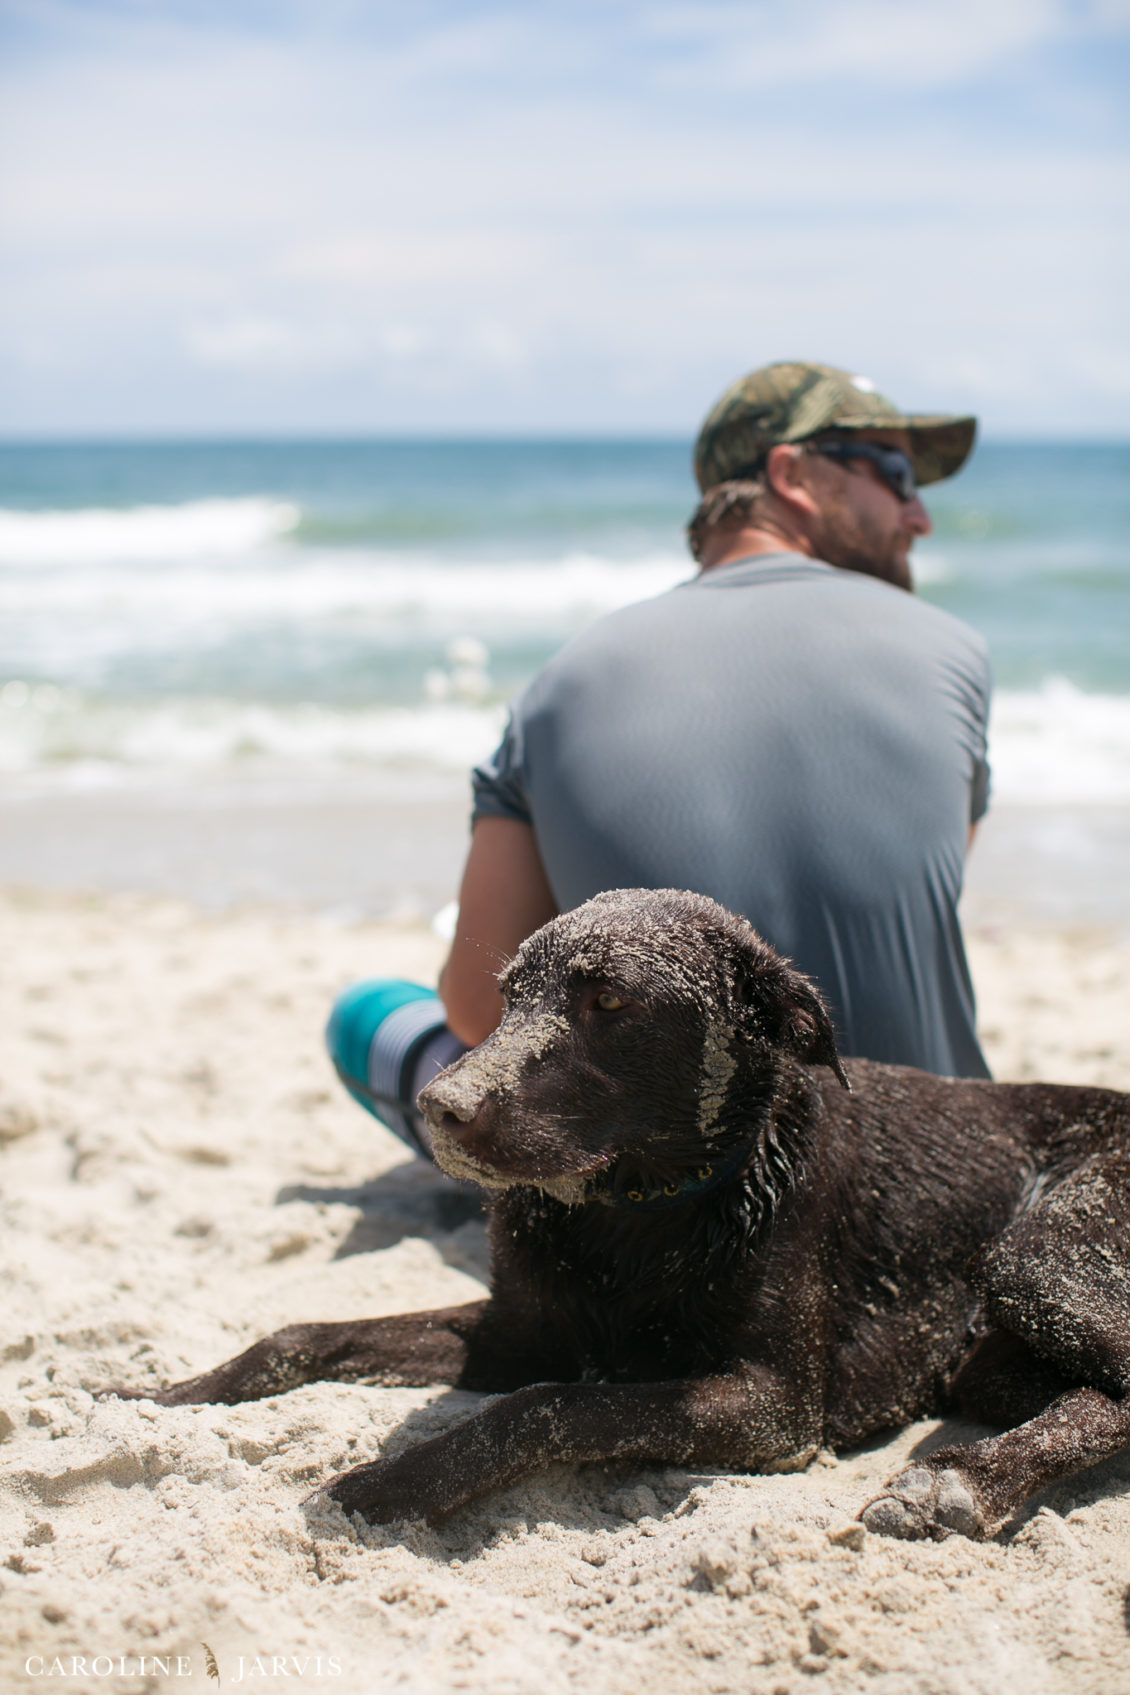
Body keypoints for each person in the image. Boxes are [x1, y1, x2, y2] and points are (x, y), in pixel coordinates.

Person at [328, 360, 991, 1157]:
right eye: (896, 475)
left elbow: (476, 1008)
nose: (919, 515)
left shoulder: (559, 683)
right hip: (931, 1165)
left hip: (691, 1202)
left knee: (367, 1015)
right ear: (792, 475)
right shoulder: (956, 653)